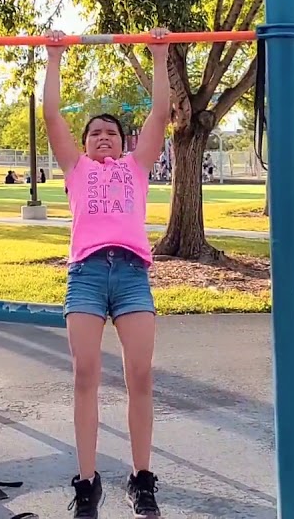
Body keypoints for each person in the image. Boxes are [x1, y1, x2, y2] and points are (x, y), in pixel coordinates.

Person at [43, 27, 171, 519]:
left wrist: (160, 56)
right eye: (95, 132)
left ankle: (142, 479)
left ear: (123, 143)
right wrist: (54, 58)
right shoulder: (76, 169)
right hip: (88, 275)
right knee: (85, 375)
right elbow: (52, 114)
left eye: (111, 132)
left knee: (140, 375)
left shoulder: (136, 168)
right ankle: (87, 482)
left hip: (133, 273)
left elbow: (160, 114)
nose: (102, 137)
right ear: (84, 143)